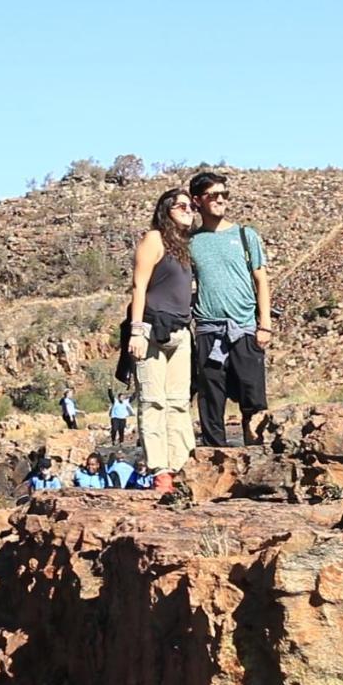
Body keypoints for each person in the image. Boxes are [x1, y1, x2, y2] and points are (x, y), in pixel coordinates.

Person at [188, 172, 272, 448]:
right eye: (213, 195)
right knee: (211, 399)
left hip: (245, 328)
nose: (221, 200)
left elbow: (261, 280)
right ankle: (214, 460)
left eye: (225, 194)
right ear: (198, 200)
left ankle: (258, 455)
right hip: (208, 329)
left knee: (254, 398)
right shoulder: (190, 241)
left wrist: (265, 325)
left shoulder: (246, 236)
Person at [128, 188, 197, 477]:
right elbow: (138, 287)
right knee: (153, 399)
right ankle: (159, 469)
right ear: (166, 209)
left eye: (190, 206)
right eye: (180, 205)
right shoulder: (153, 239)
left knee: (179, 401)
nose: (187, 210)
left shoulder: (184, 246)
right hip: (152, 329)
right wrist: (136, 331)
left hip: (181, 331)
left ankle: (182, 465)